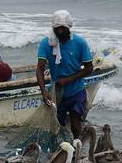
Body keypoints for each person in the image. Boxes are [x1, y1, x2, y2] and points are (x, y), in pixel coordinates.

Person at [36, 10, 94, 140]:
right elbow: (39, 69)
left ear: (69, 28)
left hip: (76, 90)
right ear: (53, 28)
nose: (61, 31)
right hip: (57, 93)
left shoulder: (80, 43)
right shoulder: (46, 43)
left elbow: (89, 68)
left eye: (63, 28)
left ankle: (77, 146)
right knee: (57, 124)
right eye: (58, 29)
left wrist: (68, 79)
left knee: (75, 119)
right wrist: (44, 92)